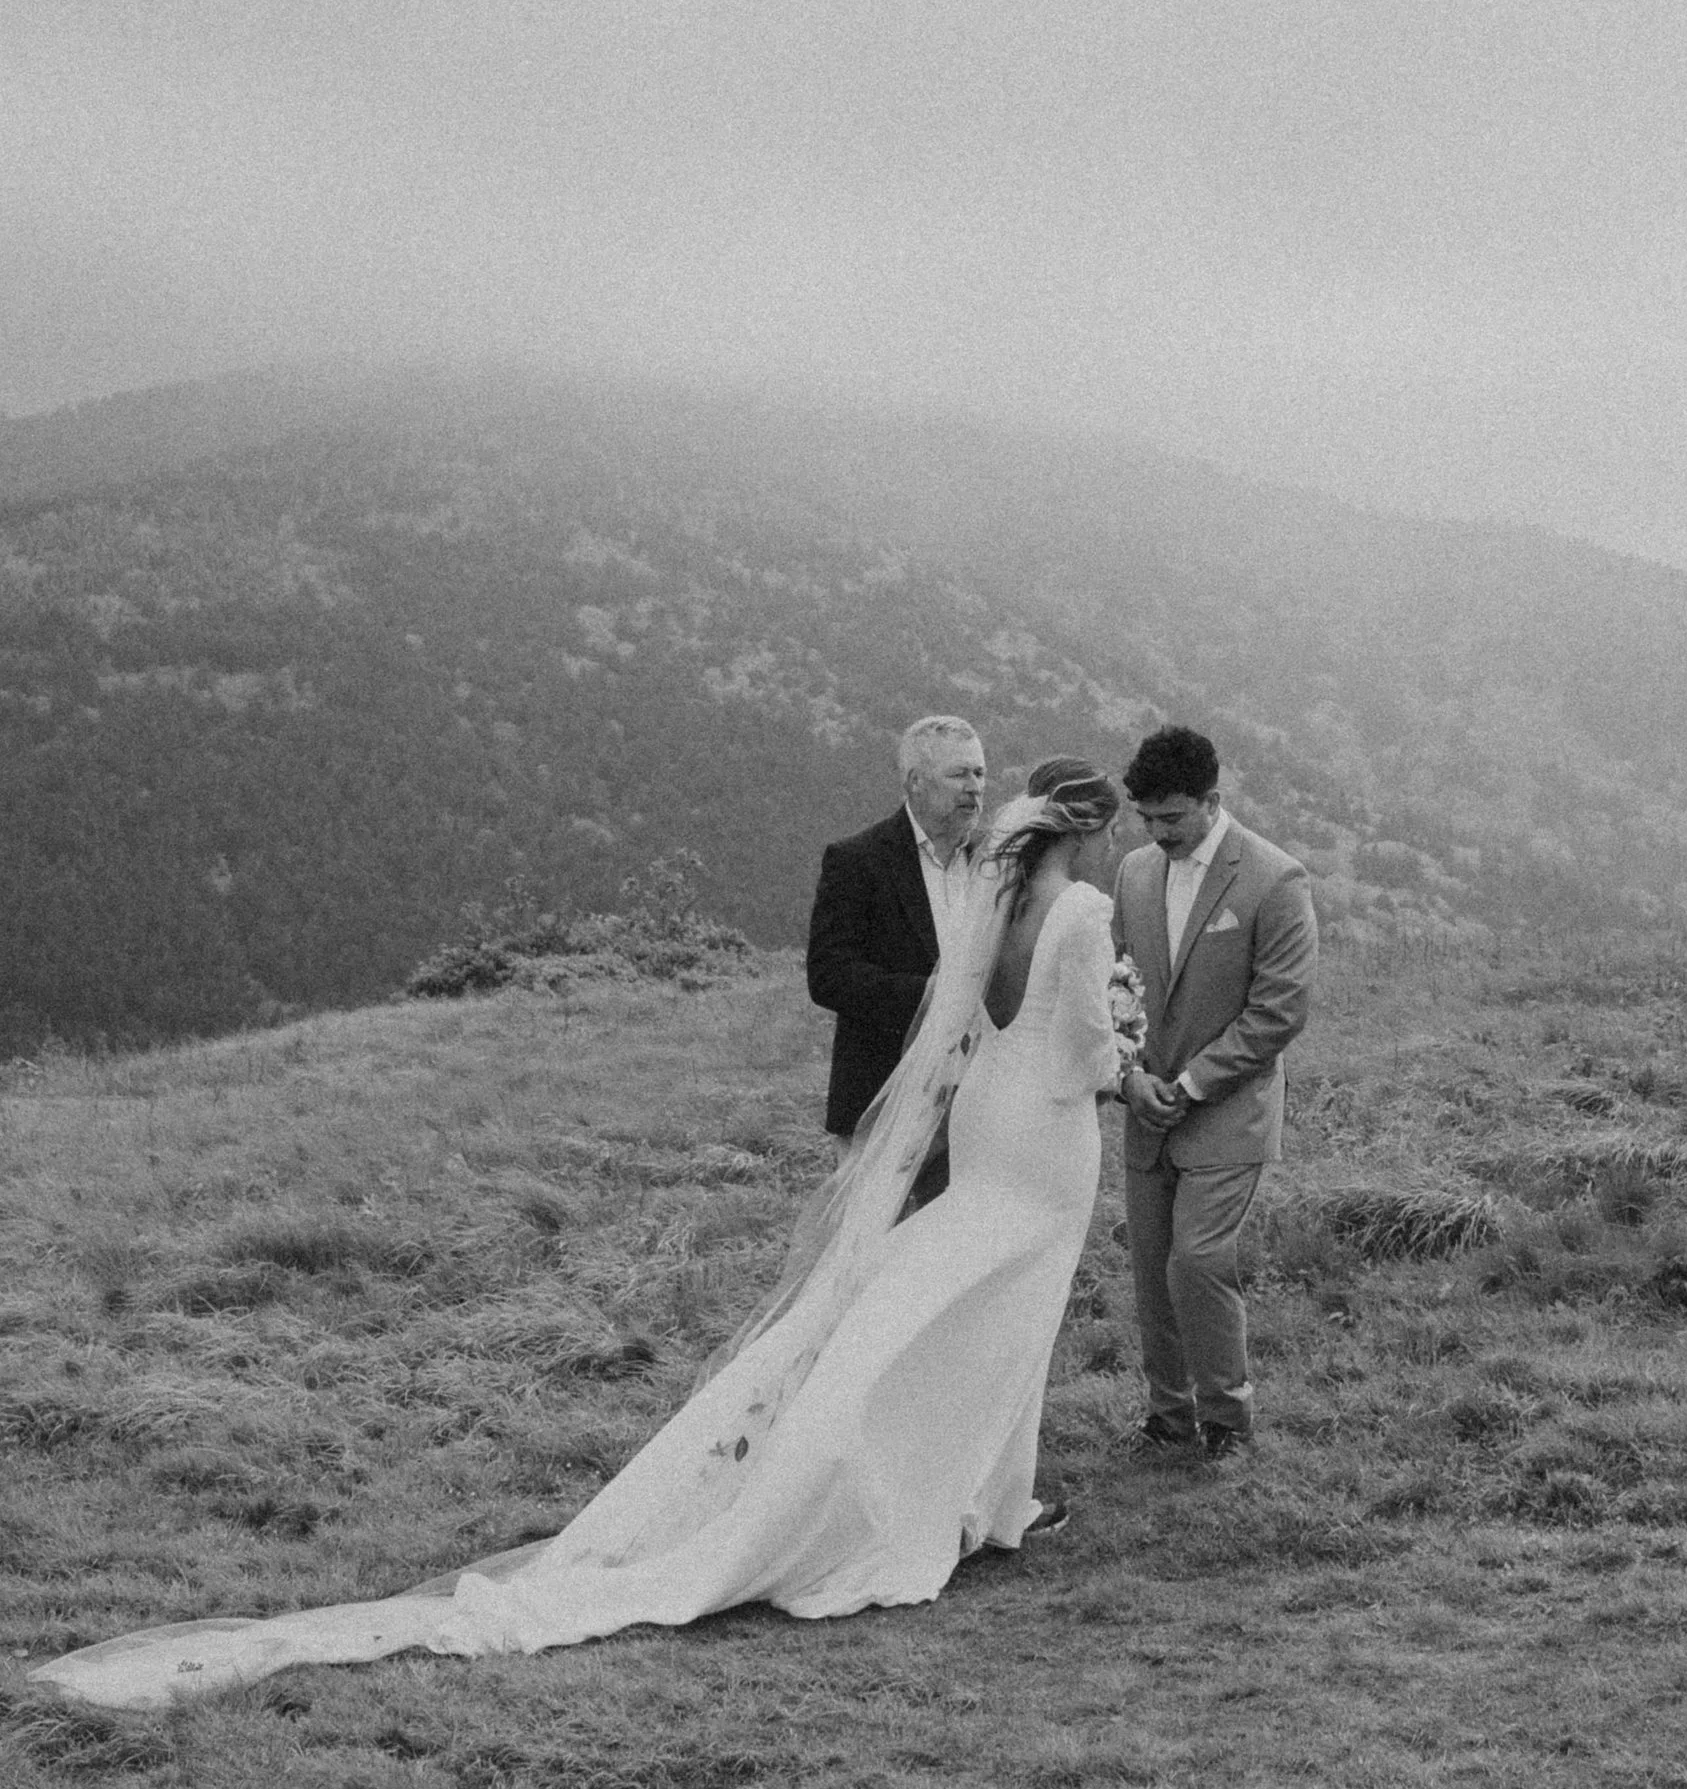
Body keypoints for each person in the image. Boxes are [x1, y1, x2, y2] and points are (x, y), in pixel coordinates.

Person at [34, 759, 1129, 1713]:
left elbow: (973, 1015)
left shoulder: (995, 892)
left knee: (947, 1292)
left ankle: (991, 1493)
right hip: (1044, 1128)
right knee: (1011, 1311)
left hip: (986, 1109)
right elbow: (1079, 1042)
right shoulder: (1078, 910)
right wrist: (1128, 1061)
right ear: (1093, 823)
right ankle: (967, 1496)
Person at [1113, 724, 1317, 1459]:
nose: (1159, 832)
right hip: (1145, 1109)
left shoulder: (1275, 878)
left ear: (1213, 799)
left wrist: (1193, 1083)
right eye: (1148, 818)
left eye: (1173, 816)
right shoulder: (1133, 873)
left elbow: (1280, 1010)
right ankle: (1168, 1415)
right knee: (1151, 1267)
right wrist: (1128, 1076)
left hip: (1229, 1110)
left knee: (1197, 1260)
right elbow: (1116, 985)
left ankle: (1226, 1419)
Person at [806, 715, 987, 1192]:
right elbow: (828, 975)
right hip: (881, 1095)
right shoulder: (858, 860)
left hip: (974, 1099)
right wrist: (930, 996)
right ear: (915, 783)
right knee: (869, 1252)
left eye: (979, 774)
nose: (974, 788)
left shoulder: (992, 863)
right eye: (959, 775)